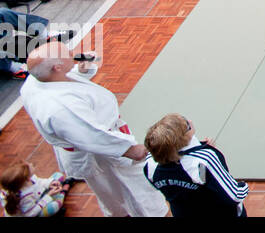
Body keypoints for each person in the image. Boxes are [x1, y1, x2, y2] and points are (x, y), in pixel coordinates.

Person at [20, 42, 168, 217]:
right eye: (68, 54)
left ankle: (122, 213)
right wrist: (129, 149)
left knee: (111, 194)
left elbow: (64, 81)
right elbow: (91, 136)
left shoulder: (36, 80)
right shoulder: (61, 108)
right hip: (103, 154)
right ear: (57, 67)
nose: (73, 54)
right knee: (136, 192)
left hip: (95, 148)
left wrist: (81, 71)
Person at [143, 113, 248, 217]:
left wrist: (202, 149)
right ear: (183, 138)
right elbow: (234, 196)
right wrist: (243, 186)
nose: (190, 121)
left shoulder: (150, 163)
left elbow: (198, 179)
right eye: (187, 124)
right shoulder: (203, 160)